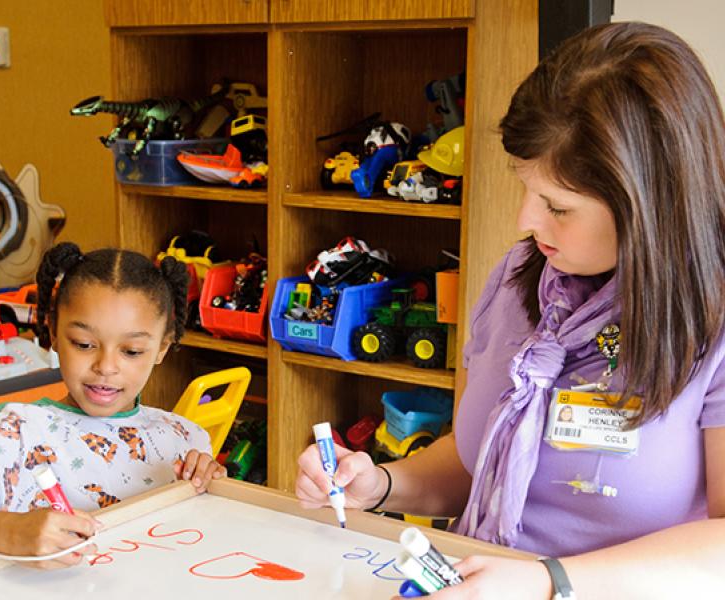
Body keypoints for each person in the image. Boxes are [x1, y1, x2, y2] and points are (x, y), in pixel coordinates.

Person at [297, 22, 725, 598]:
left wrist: (548, 582)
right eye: (524, 185)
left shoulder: (713, 320)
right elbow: (475, 460)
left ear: (650, 206)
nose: (526, 219)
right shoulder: (520, 279)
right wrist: (378, 485)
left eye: (558, 205)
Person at [0, 243, 225, 570]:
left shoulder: (184, 438)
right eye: (84, 344)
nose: (106, 366)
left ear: (161, 349)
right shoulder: (16, 431)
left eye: (132, 351)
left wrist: (210, 483)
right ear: (53, 332)